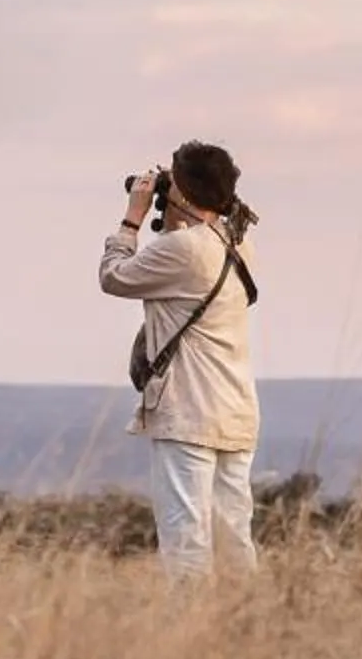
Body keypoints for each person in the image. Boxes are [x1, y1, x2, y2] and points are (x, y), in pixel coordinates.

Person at [101, 141, 259, 579]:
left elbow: (112, 276)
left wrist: (133, 217)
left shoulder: (183, 249)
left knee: (185, 540)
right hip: (236, 412)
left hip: (190, 414)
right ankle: (249, 628)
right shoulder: (236, 246)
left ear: (184, 195)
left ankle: (191, 637)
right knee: (234, 541)